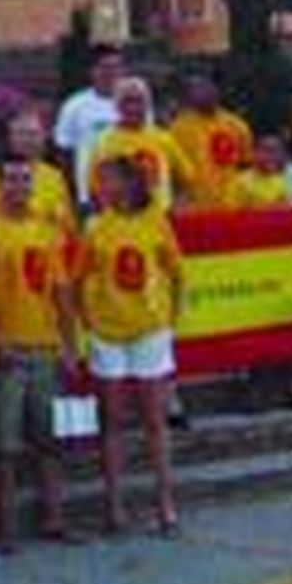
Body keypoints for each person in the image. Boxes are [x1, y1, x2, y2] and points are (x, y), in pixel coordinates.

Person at [0, 154, 80, 551]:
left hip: (44, 345)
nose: (19, 187)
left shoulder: (48, 233)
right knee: (5, 445)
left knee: (48, 439)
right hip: (7, 351)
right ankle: (8, 527)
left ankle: (55, 517)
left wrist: (69, 345)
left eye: (25, 179)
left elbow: (62, 292)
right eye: (12, 179)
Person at [79, 154, 184, 536]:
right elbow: (79, 277)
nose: (101, 187)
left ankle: (165, 503)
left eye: (107, 180)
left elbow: (177, 272)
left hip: (149, 329)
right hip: (108, 332)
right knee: (112, 421)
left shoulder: (155, 221)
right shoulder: (95, 227)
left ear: (126, 183)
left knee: (155, 420)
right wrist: (88, 323)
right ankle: (115, 507)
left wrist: (169, 321)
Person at [90, 77, 196, 213]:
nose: (133, 107)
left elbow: (187, 178)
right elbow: (94, 188)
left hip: (157, 219)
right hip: (117, 219)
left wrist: (177, 207)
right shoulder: (104, 141)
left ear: (147, 105)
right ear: (117, 105)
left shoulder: (162, 139)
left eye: (138, 101)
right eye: (127, 100)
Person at [0, 107, 75, 234]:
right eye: (21, 133)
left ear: (43, 137)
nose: (27, 140)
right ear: (10, 138)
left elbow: (67, 224)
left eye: (33, 134)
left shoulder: (54, 176)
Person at [53, 44, 123, 214]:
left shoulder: (133, 104)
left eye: (116, 67)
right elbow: (63, 153)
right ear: (92, 71)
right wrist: (73, 190)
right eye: (105, 67)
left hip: (128, 198)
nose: (111, 73)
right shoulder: (75, 106)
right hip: (89, 198)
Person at [170, 72, 253, 209]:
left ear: (217, 89)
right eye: (196, 88)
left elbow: (247, 168)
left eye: (206, 86)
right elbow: (173, 171)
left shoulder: (237, 126)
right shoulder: (178, 128)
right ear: (189, 94)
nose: (202, 92)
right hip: (194, 208)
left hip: (232, 206)